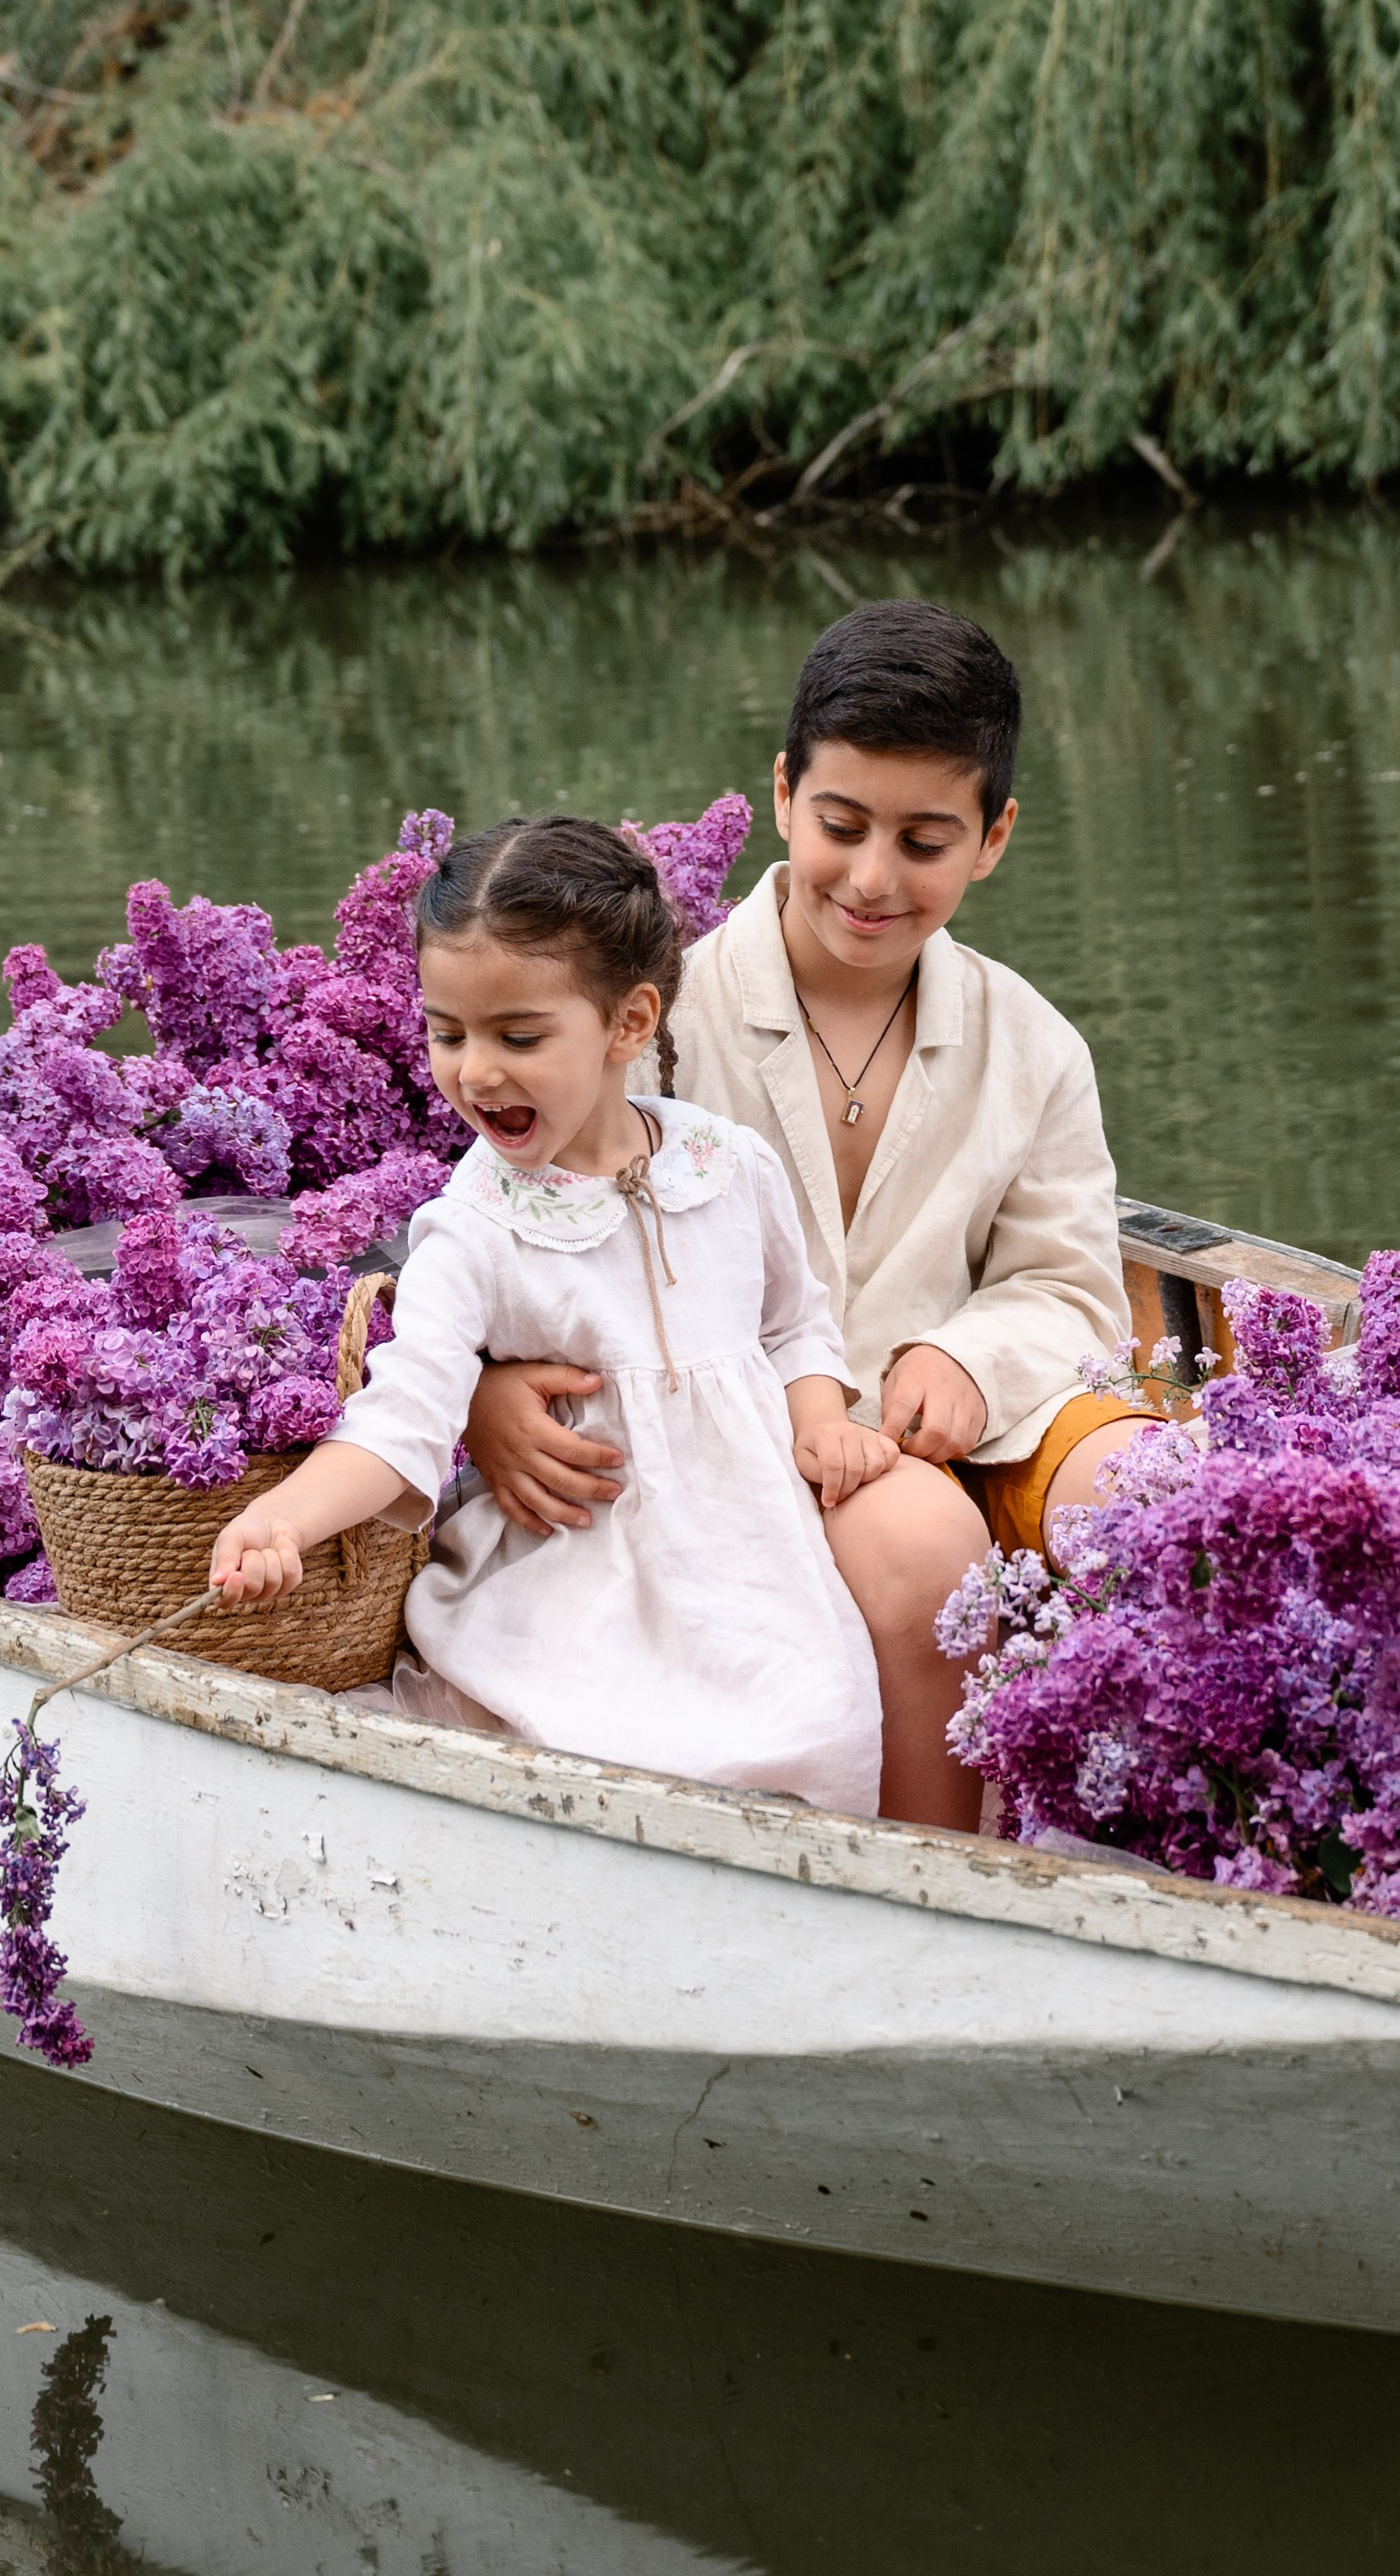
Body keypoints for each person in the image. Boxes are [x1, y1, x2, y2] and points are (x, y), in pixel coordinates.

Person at [463, 601, 1147, 1833]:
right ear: (782, 795)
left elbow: (1070, 1285)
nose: (874, 878)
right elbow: (533, 1222)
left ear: (992, 838)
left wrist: (966, 1357)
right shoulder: (656, 1018)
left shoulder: (1033, 1044)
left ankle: (1180, 1828)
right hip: (749, 1432)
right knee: (921, 1549)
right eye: (842, 826)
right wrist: (485, 1386)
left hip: (969, 1418)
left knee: (1152, 1490)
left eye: (925, 839)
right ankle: (927, 1885)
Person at [208, 816, 890, 1814]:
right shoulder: (473, 1227)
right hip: (576, 1571)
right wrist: (283, 1517)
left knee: (823, 1725)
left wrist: (822, 1417)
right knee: (608, 1747)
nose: (476, 1071)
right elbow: (404, 1414)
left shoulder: (727, 1166)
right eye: (448, 1033)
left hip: (749, 1563)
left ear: (627, 1023)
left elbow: (794, 1324)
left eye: (517, 1036)